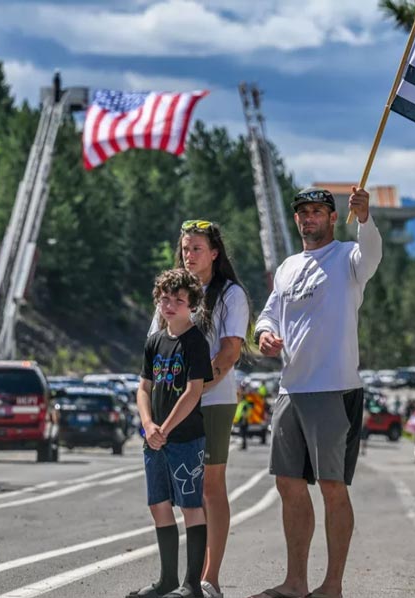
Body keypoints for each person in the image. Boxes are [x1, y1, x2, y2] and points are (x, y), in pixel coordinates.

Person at [251, 185, 381, 598]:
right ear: (297, 220)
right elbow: (269, 313)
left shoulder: (348, 257)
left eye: (317, 211)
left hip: (334, 388)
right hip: (291, 389)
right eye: (303, 212)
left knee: (331, 486)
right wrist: (265, 334)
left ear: (331, 216)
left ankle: (332, 586)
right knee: (288, 484)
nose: (309, 218)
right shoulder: (289, 266)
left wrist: (365, 218)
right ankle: (294, 583)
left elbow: (372, 253)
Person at [149, 218, 251, 598]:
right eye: (185, 248)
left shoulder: (230, 295)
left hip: (214, 400)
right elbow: (156, 346)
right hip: (173, 404)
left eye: (197, 248)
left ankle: (210, 579)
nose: (189, 255)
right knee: (178, 490)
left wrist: (197, 389)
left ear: (214, 253)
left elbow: (229, 352)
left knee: (210, 485)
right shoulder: (172, 293)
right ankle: (182, 578)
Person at [130, 269, 212, 598]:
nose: (170, 305)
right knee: (159, 504)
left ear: (192, 304)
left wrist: (165, 428)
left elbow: (193, 392)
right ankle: (167, 580)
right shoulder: (155, 341)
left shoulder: (195, 341)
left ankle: (191, 584)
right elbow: (143, 387)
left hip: (185, 438)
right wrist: (149, 425)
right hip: (155, 440)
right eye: (165, 299)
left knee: (190, 505)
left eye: (178, 300)